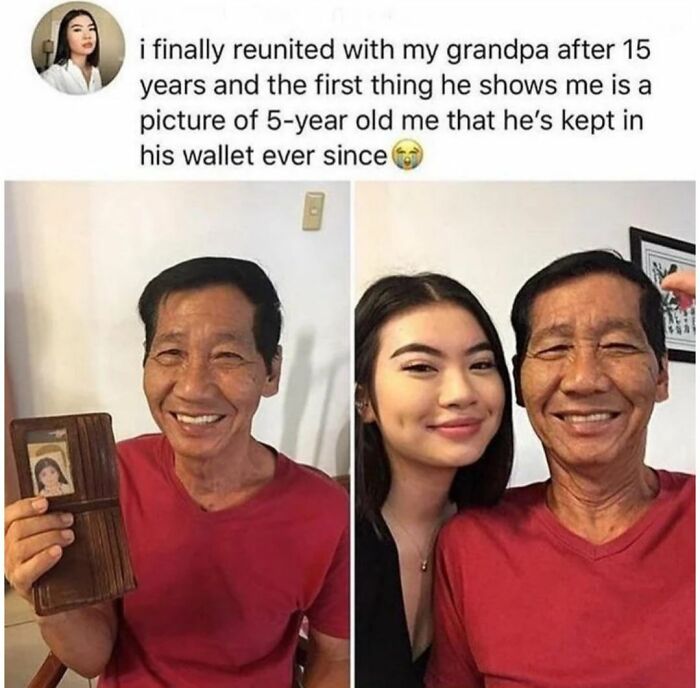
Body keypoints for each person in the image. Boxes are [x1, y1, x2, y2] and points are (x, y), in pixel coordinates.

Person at [5, 257, 350, 687]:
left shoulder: (328, 513)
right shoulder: (110, 476)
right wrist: (49, 594)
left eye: (227, 355)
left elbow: (336, 661)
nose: (192, 388)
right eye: (170, 353)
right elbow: (93, 658)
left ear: (271, 371)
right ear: (146, 364)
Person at [426, 251, 694, 688]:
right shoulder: (469, 544)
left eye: (617, 346)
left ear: (661, 374)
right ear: (518, 382)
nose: (583, 379)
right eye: (554, 349)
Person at [355, 274, 513, 688]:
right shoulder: (338, 537)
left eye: (481, 364)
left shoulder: (507, 536)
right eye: (421, 367)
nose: (461, 392)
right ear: (363, 399)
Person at [41, 9, 102, 95]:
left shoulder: (95, 71)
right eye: (77, 30)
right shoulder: (50, 77)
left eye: (91, 28)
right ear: (65, 37)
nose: (87, 36)